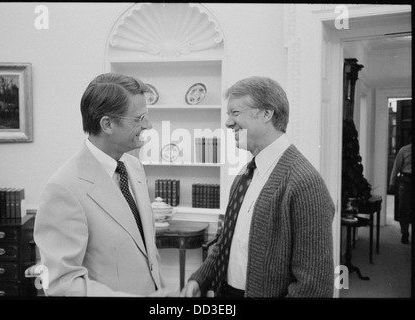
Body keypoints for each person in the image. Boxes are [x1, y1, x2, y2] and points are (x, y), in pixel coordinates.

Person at [181, 76, 335, 298]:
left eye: (235, 113)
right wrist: (200, 279)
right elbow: (227, 242)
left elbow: (313, 286)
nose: (227, 123)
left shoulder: (305, 183)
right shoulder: (245, 176)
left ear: (266, 114)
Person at [34, 73, 173, 296]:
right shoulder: (64, 188)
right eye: (139, 118)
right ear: (107, 124)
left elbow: (148, 254)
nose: (148, 125)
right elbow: (61, 284)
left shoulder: (134, 167)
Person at [389, 139, 412, 244]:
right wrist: (392, 182)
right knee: (403, 208)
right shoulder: (404, 150)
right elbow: (396, 167)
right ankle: (405, 232)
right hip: (406, 181)